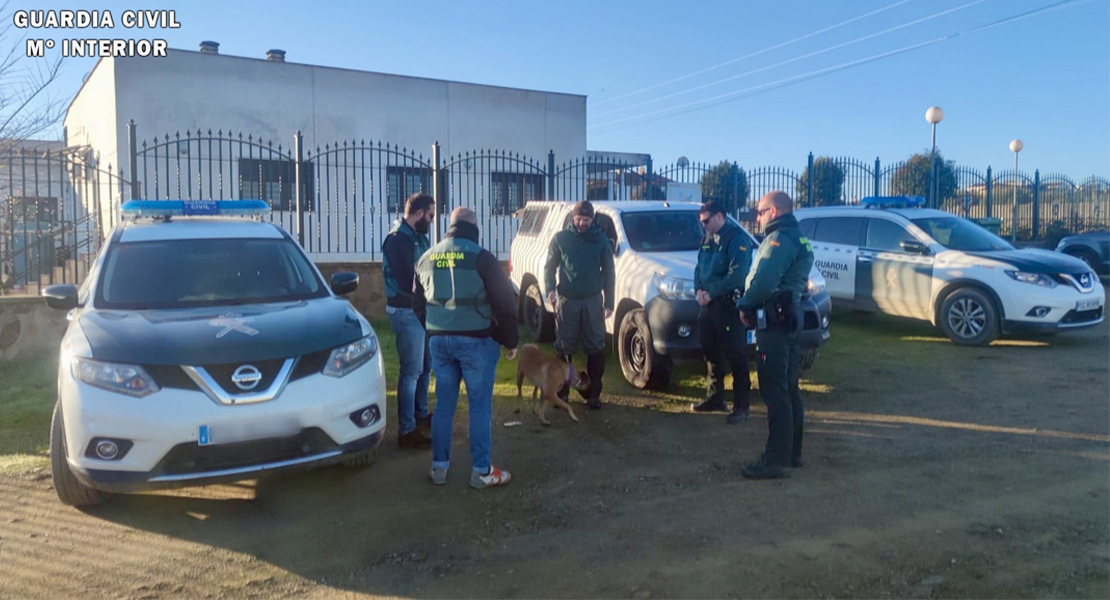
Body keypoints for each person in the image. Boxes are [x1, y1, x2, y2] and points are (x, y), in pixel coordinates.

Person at [413, 207, 519, 489]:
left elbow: (417, 304)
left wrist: (435, 326)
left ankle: (439, 468)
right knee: (480, 407)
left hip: (439, 341)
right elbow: (505, 303)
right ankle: (482, 471)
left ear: (450, 226)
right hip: (477, 342)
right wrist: (509, 340)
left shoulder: (425, 258)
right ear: (474, 226)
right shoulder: (482, 257)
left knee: (443, 406)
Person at [735, 191, 814, 480]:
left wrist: (745, 304)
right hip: (791, 317)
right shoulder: (799, 238)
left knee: (774, 390)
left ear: (775, 210)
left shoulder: (779, 239)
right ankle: (793, 453)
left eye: (760, 211)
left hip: (775, 322)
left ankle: (775, 460)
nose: (757, 216)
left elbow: (766, 280)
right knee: (790, 388)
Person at [544, 200, 615, 410]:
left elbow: (609, 273)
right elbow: (550, 267)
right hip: (568, 300)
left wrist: (609, 302)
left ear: (592, 219)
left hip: (593, 300)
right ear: (572, 218)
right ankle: (562, 391)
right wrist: (550, 289)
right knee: (565, 346)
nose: (582, 223)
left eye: (586, 219)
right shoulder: (561, 239)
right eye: (579, 219)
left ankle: (593, 394)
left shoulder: (601, 240)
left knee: (595, 346)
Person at [382, 193, 436, 449]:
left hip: (421, 311)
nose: (432, 220)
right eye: (430, 215)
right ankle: (406, 431)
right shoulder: (397, 240)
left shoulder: (419, 237)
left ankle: (421, 415)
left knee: (425, 367)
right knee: (411, 372)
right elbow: (407, 280)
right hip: (405, 312)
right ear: (418, 213)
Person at [692, 200, 753, 425]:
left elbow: (737, 276)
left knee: (736, 355)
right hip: (708, 306)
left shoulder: (736, 239)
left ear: (719, 216)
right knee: (711, 353)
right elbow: (699, 267)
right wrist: (698, 289)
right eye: (702, 222)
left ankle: (741, 406)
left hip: (728, 306)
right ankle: (715, 397)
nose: (704, 226)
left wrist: (712, 293)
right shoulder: (707, 239)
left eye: (706, 221)